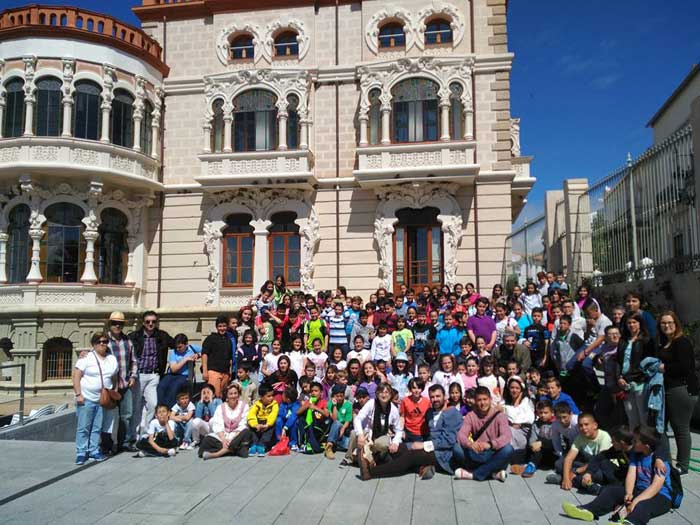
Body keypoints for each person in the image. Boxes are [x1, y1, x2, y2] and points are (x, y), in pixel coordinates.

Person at [561, 426, 674, 525]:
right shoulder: (637, 454)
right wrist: (629, 493)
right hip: (639, 490)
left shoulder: (661, 462)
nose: (632, 443)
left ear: (646, 445)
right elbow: (631, 473)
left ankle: (629, 523)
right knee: (611, 491)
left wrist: (635, 501)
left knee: (641, 506)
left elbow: (656, 487)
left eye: (635, 441)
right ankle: (589, 511)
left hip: (661, 496)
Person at [361, 384, 463, 481]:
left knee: (412, 456)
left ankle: (371, 472)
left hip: (443, 455)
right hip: (430, 448)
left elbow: (449, 441)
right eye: (432, 397)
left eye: (438, 396)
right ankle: (420, 467)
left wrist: (423, 445)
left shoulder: (452, 413)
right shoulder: (430, 412)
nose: (435, 399)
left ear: (444, 396)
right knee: (398, 448)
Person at [657, 310, 698, 474]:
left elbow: (685, 366)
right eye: (663, 323)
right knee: (662, 426)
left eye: (670, 323)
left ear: (676, 324)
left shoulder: (682, 343)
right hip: (667, 390)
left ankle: (682, 465)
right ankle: (664, 459)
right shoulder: (664, 342)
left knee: (680, 428)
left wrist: (664, 367)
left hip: (680, 389)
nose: (666, 326)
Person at [72, 332, 119, 464]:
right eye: (100, 342)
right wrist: (78, 394)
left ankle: (93, 450)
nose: (103, 344)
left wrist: (114, 391)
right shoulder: (86, 358)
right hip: (86, 398)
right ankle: (81, 452)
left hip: (102, 400)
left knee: (97, 427)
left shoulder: (111, 359)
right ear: (93, 344)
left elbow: (114, 376)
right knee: (83, 427)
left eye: (105, 341)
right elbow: (76, 376)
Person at [128, 311, 173, 442]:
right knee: (136, 406)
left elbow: (178, 343)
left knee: (153, 405)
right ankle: (133, 435)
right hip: (139, 375)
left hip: (154, 375)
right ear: (143, 322)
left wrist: (197, 351)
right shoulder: (134, 336)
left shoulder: (162, 336)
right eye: (148, 321)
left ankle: (145, 434)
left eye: (153, 321)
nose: (151, 324)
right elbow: (119, 345)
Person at [454, 386, 513, 481]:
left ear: (490, 399)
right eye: (479, 400)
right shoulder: (471, 416)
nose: (482, 403)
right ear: (475, 401)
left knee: (508, 449)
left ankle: (474, 474)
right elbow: (461, 435)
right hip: (477, 452)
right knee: (457, 448)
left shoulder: (500, 416)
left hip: (493, 452)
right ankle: (491, 473)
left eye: (485, 399)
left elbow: (506, 436)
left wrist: (490, 444)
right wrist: (470, 444)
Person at [101, 311, 137, 454]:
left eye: (120, 323)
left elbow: (134, 360)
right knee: (108, 417)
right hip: (109, 385)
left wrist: (133, 377)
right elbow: (96, 355)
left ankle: (124, 443)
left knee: (126, 415)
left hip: (125, 384)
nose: (117, 326)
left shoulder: (127, 341)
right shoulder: (104, 341)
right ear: (109, 324)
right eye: (114, 323)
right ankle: (107, 445)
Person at [617, 313, 656, 429]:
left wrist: (633, 377)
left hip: (640, 383)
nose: (631, 325)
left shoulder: (646, 340)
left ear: (640, 324)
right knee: (631, 417)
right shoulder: (623, 340)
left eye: (634, 322)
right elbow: (619, 361)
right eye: (629, 323)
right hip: (625, 383)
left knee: (643, 417)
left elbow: (649, 363)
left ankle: (646, 445)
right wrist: (619, 377)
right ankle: (635, 444)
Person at [350, 383, 403, 469]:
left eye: (387, 392)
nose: (384, 395)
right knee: (353, 433)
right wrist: (360, 434)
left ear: (390, 394)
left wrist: (395, 442)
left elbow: (399, 430)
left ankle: (370, 457)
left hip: (381, 437)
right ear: (377, 394)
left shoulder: (393, 410)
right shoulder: (371, 403)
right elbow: (358, 419)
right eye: (381, 392)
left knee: (385, 442)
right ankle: (356, 458)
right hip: (369, 435)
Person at [556, 413, 612, 490]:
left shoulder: (604, 436)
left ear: (595, 425)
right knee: (559, 463)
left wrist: (576, 471)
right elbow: (569, 458)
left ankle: (565, 479)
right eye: (580, 425)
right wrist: (566, 478)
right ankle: (568, 479)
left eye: (586, 424)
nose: (583, 428)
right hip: (585, 465)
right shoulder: (580, 437)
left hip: (598, 467)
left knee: (599, 474)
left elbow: (598, 461)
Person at [199, 382, 253, 460]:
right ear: (227, 396)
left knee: (246, 432)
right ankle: (235, 449)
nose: (234, 396)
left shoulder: (244, 406)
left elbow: (243, 425)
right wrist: (224, 440)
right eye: (231, 394)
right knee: (207, 440)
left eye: (235, 393)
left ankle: (219, 453)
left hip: (237, 435)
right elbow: (218, 425)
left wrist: (232, 438)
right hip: (224, 435)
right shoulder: (221, 407)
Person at [511, 399, 555, 478]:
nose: (543, 415)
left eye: (546, 413)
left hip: (550, 453)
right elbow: (531, 440)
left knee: (539, 451)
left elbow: (555, 443)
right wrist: (533, 445)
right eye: (540, 413)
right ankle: (525, 466)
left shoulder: (556, 424)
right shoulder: (535, 424)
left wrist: (541, 443)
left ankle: (530, 467)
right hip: (535, 450)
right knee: (516, 454)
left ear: (552, 412)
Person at [157, 333, 200, 409]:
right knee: (161, 386)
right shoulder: (174, 352)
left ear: (186, 344)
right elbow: (173, 369)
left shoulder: (192, 348)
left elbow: (206, 351)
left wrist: (198, 354)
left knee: (174, 388)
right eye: (176, 347)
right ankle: (161, 408)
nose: (178, 349)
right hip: (172, 374)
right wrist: (185, 359)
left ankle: (170, 409)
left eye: (180, 347)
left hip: (184, 376)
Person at [502, 376, 535, 457]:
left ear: (521, 390)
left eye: (517, 388)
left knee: (511, 430)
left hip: (523, 429)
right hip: (510, 429)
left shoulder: (526, 401)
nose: (514, 390)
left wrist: (506, 410)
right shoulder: (505, 401)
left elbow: (517, 418)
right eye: (512, 387)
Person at [202, 316, 233, 398]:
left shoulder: (228, 340)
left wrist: (229, 372)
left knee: (222, 396)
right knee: (214, 395)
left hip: (225, 373)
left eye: (224, 326)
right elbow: (204, 354)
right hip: (214, 371)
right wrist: (205, 371)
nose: (222, 328)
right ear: (216, 327)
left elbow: (230, 357)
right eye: (220, 326)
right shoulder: (210, 338)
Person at [246, 384, 279, 456]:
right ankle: (253, 445)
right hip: (258, 422)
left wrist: (268, 424)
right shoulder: (257, 404)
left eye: (272, 395)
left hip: (267, 422)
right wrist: (255, 425)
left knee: (269, 430)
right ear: (261, 397)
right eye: (268, 396)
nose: (271, 398)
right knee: (252, 429)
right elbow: (251, 415)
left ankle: (262, 445)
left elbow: (273, 415)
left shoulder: (274, 404)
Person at [325, 384, 353, 459]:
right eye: (337, 396)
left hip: (343, 429)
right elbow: (334, 419)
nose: (339, 398)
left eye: (341, 396)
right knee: (337, 423)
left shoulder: (348, 405)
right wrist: (334, 406)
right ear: (333, 396)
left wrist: (343, 429)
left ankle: (334, 443)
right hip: (333, 427)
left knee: (349, 446)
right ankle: (329, 446)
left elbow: (348, 420)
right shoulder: (330, 403)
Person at [400, 378, 430, 442]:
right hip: (408, 432)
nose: (416, 390)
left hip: (422, 433)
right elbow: (402, 417)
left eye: (419, 388)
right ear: (410, 389)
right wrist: (401, 431)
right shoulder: (405, 401)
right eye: (414, 388)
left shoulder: (427, 402)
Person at [276, 386, 301, 452]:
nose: (282, 396)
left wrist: (285, 427)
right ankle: (279, 441)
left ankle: (293, 443)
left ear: (288, 399)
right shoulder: (283, 404)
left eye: (283, 395)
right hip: (284, 421)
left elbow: (293, 417)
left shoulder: (296, 405)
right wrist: (285, 416)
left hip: (291, 423)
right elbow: (280, 414)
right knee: (278, 420)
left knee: (294, 423)